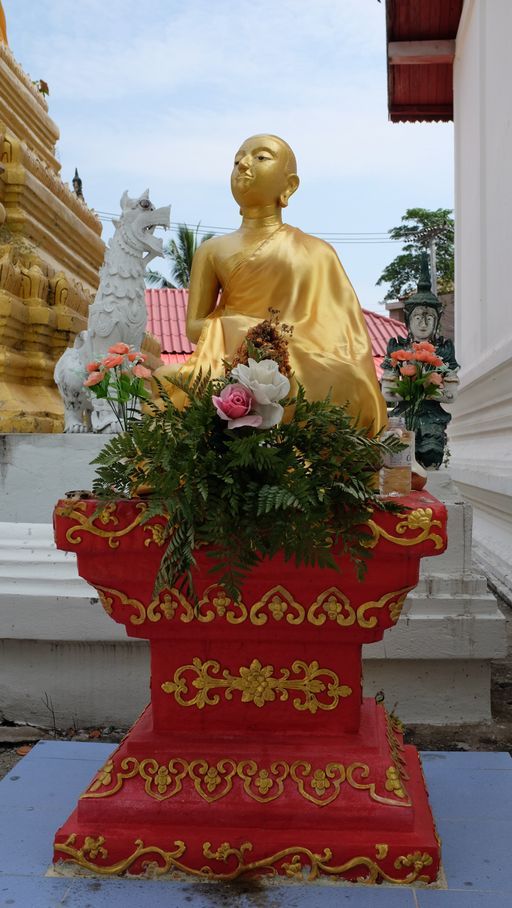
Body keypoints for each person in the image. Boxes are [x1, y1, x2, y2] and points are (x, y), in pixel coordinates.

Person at [154, 134, 386, 433]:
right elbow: (194, 327)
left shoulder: (317, 251)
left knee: (349, 378)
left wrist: (279, 344)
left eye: (260, 157)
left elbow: (342, 337)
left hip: (301, 358)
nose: (244, 165)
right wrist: (247, 334)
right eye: (237, 160)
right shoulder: (212, 250)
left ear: (289, 186)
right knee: (165, 376)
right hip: (233, 358)